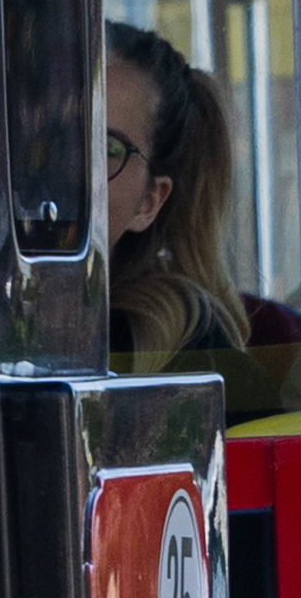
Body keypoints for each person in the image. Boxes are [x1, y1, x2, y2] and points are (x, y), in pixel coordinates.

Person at [100, 21, 250, 373]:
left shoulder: (182, 345)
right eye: (47, 132)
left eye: (108, 147)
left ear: (150, 201)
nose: (68, 164)